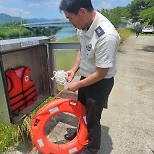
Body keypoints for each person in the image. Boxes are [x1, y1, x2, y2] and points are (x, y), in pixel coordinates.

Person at [59, 0, 120, 153]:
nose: (69, 22)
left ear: (81, 12)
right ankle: (80, 134)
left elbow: (101, 73)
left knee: (93, 117)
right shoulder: (83, 25)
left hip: (100, 82)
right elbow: (82, 48)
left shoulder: (107, 36)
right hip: (86, 78)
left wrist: (77, 84)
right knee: (81, 110)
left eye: (69, 18)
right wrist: (74, 70)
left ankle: (92, 148)